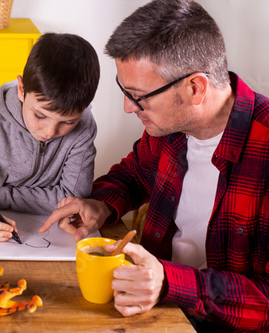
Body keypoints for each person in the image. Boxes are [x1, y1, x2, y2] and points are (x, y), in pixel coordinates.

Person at [39, 0, 269, 331]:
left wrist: (169, 282)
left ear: (195, 88)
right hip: (153, 310)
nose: (128, 108)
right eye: (124, 90)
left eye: (138, 96)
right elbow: (133, 174)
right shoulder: (169, 129)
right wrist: (100, 204)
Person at [0, 33, 100, 242]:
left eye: (68, 122)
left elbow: (72, 199)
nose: (49, 132)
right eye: (40, 115)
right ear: (22, 90)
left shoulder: (83, 129)